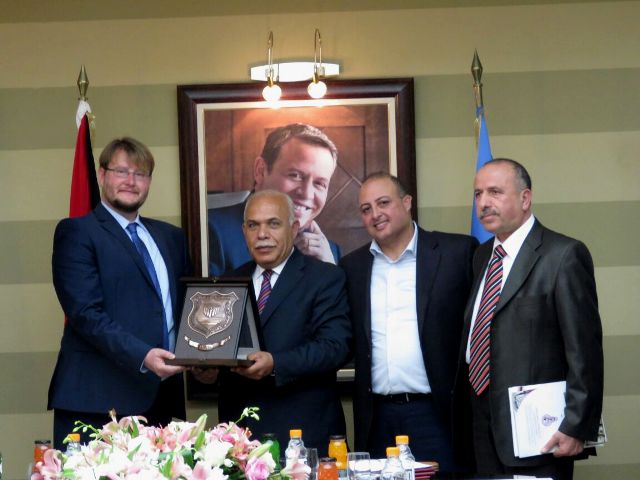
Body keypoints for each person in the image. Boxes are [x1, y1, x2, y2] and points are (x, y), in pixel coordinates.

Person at [456, 158, 603, 480]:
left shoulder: (563, 255)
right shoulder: (481, 256)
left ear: (525, 198)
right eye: (478, 194)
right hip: (481, 425)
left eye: (495, 192)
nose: (483, 202)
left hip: (540, 431)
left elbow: (584, 351)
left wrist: (575, 425)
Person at [48, 137, 191, 448]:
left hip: (160, 402)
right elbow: (85, 314)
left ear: (149, 181)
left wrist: (204, 358)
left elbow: (187, 310)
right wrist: (143, 356)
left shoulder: (171, 238)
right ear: (102, 175)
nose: (131, 181)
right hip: (97, 403)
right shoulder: (77, 233)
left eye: (140, 174)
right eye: (121, 171)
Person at [339, 172, 478, 470]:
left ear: (407, 202)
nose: (375, 214)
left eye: (383, 203)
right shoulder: (353, 267)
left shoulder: (456, 253)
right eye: (366, 209)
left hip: (436, 413)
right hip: (377, 417)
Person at [197, 190, 351, 454]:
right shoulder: (226, 283)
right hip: (239, 438)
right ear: (244, 231)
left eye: (273, 223)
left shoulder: (325, 278)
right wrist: (208, 370)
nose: (262, 234)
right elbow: (221, 347)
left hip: (303, 433)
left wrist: (275, 364)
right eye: (253, 225)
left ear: (294, 228)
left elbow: (335, 347)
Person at [208, 123, 341, 275]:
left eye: (320, 183)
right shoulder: (211, 232)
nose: (307, 194)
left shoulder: (330, 253)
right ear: (260, 171)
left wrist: (329, 273)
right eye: (295, 175)